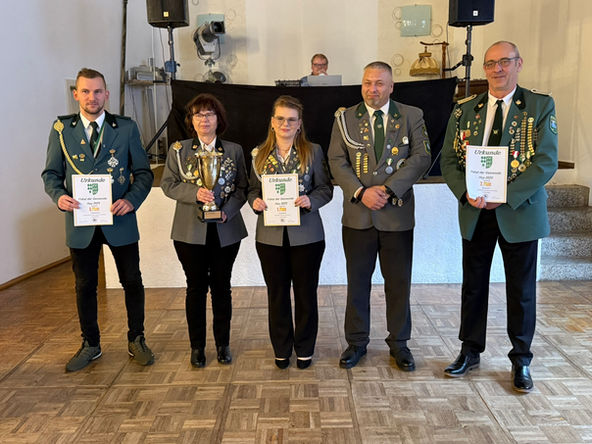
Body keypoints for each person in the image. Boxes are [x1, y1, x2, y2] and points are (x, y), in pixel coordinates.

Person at [440, 41, 558, 392]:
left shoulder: (539, 106)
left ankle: (521, 359)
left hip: (519, 212)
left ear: (518, 64)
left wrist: (505, 195)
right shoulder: (464, 110)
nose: (497, 69)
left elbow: (545, 161)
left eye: (505, 62)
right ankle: (469, 350)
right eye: (491, 63)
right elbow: (449, 159)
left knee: (521, 291)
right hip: (476, 211)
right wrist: (465, 191)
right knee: (473, 286)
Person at [42, 68, 154, 372]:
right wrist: (58, 196)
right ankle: (90, 344)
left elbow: (143, 173)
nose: (92, 97)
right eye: (86, 91)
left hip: (120, 219)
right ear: (76, 94)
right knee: (84, 285)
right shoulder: (62, 129)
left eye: (97, 91)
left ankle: (137, 339)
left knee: (132, 281)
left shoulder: (126, 128)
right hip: (81, 222)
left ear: (106, 94)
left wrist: (131, 200)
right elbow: (51, 173)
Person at [328, 61, 431, 371]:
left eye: (379, 83)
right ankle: (356, 342)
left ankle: (399, 343)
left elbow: (421, 156)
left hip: (396, 215)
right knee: (357, 283)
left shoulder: (411, 115)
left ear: (391, 87)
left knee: (398, 284)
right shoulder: (345, 118)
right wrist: (361, 192)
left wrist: (387, 189)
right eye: (367, 83)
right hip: (358, 216)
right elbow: (336, 160)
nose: (372, 89)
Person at [161, 94, 248, 368]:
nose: (204, 119)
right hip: (189, 231)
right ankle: (197, 346)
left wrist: (227, 211)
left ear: (218, 119)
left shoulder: (233, 150)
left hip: (225, 229)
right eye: (198, 114)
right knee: (195, 288)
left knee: (222, 287)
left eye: (210, 114)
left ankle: (223, 344)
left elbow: (243, 188)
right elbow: (168, 185)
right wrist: (194, 193)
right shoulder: (178, 150)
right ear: (191, 120)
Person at [248, 95, 333, 369]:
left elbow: (326, 189)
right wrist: (254, 201)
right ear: (272, 122)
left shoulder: (313, 151)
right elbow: (251, 190)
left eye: (292, 120)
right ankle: (282, 349)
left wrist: (311, 200)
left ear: (299, 124)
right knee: (277, 295)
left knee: (306, 294)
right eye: (281, 119)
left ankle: (305, 348)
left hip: (307, 236)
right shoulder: (258, 154)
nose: (286, 124)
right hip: (270, 238)